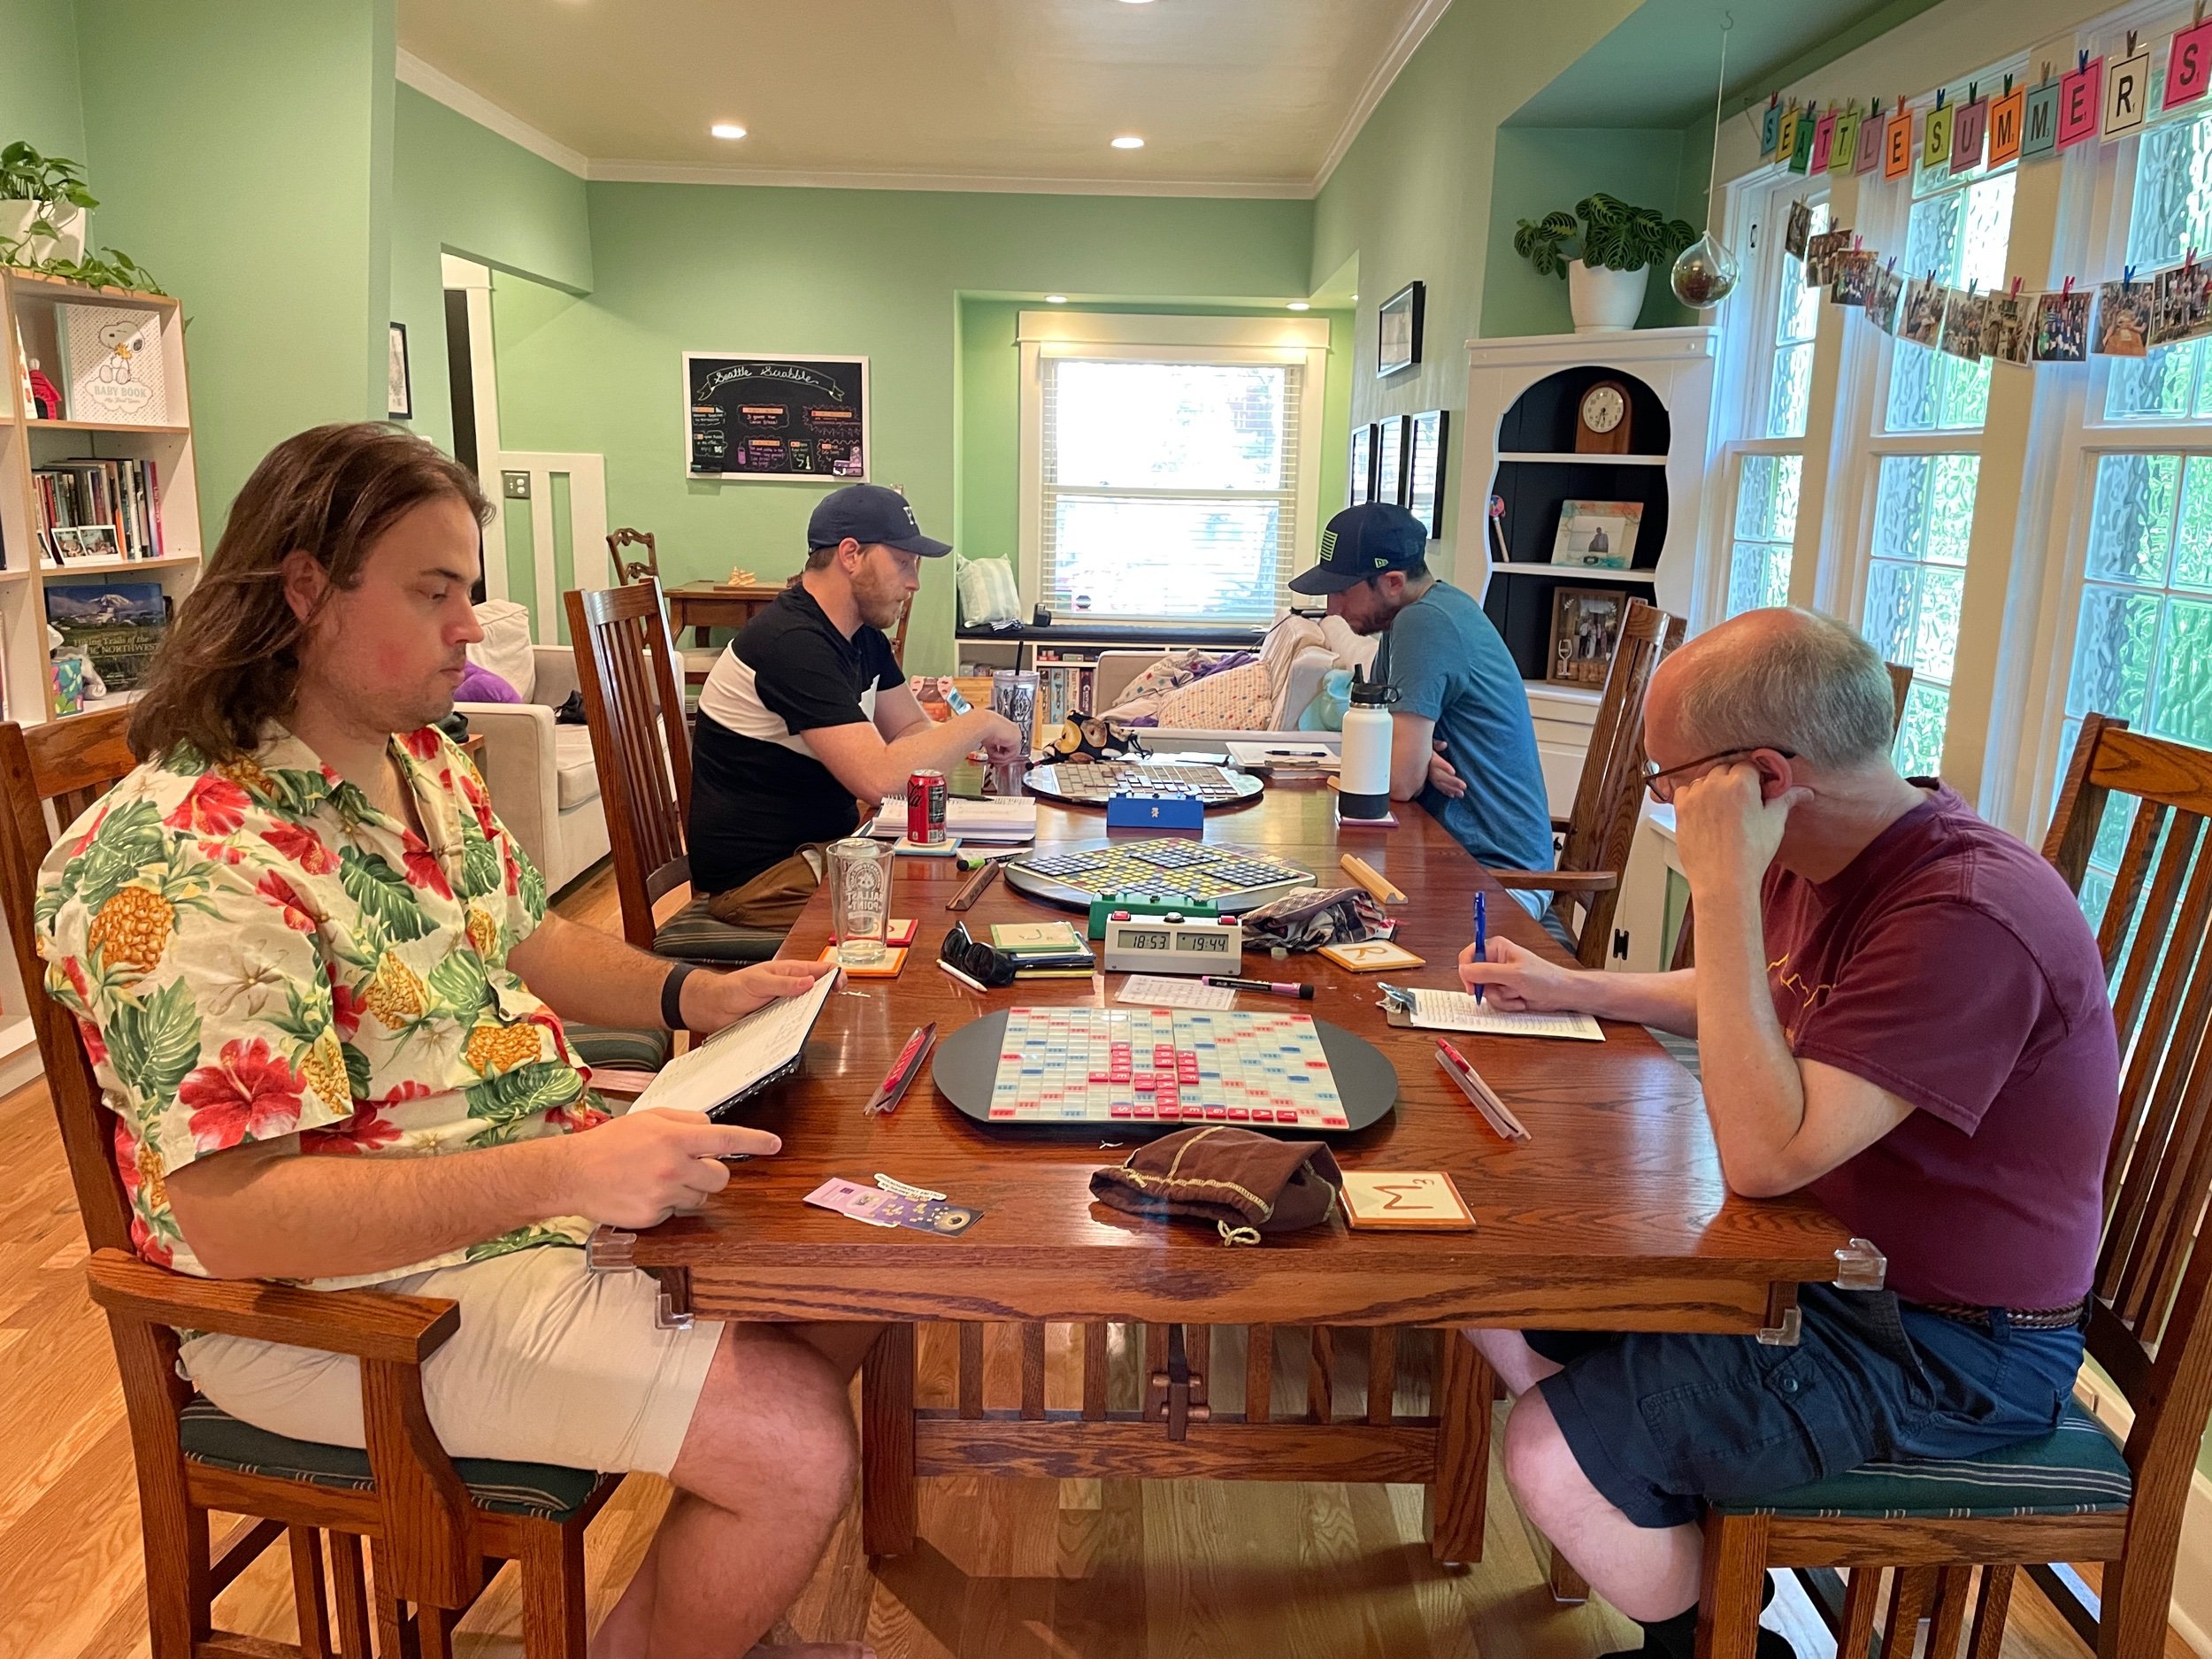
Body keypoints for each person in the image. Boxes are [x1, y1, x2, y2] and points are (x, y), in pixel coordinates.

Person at [38, 423, 872, 1659]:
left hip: (507, 1203)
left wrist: (695, 995)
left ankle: (711, 1616)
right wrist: (570, 1171)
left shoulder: (418, 757)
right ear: (304, 589)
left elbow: (526, 934)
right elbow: (243, 1219)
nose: (470, 628)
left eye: (466, 591)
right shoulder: (185, 857)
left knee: (858, 1279)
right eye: (434, 592)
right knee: (793, 1444)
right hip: (329, 1308)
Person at [1456, 608, 2117, 1659]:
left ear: (1762, 777)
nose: (1665, 801)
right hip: (1817, 1267)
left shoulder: (1965, 915)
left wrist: (1719, 884)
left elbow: (1765, 1159)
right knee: (1491, 1292)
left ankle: (1709, 1628)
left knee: (1547, 1454)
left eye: (1669, 780)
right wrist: (1574, 988)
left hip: (1946, 1344)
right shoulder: (1824, 852)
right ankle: (1665, 1510)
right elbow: (1757, 996)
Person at [687, 484, 1022, 902]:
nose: (914, 582)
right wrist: (980, 723)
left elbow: (910, 728)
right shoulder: (793, 643)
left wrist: (946, 744)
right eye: (903, 562)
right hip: (761, 882)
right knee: (940, 900)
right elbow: (878, 780)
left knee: (962, 880)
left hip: (823, 852)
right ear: (850, 555)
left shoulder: (862, 636)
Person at [1286, 502, 1552, 904]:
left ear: (1393, 582)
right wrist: (1417, 755)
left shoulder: (1425, 623)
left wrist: (1408, 758)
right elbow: (1376, 738)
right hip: (1453, 855)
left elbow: (1397, 782)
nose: (1332, 608)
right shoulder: (1412, 619)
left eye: (1342, 591)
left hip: (1500, 878)